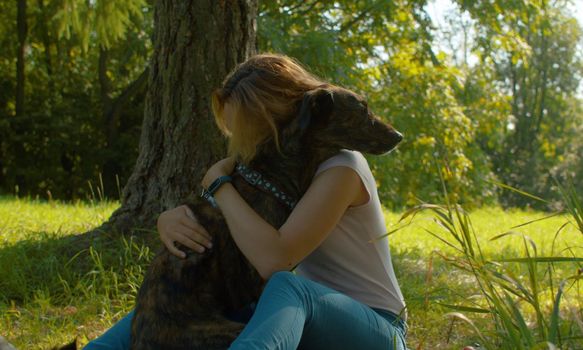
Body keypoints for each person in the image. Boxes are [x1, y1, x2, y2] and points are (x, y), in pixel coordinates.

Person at [84, 53, 407, 350]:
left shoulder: (343, 168)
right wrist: (169, 219)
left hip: (376, 328)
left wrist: (218, 184)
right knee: (164, 314)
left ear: (275, 115)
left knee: (286, 285)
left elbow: (273, 259)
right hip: (301, 316)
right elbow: (238, 234)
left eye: (243, 127)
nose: (238, 139)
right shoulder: (281, 172)